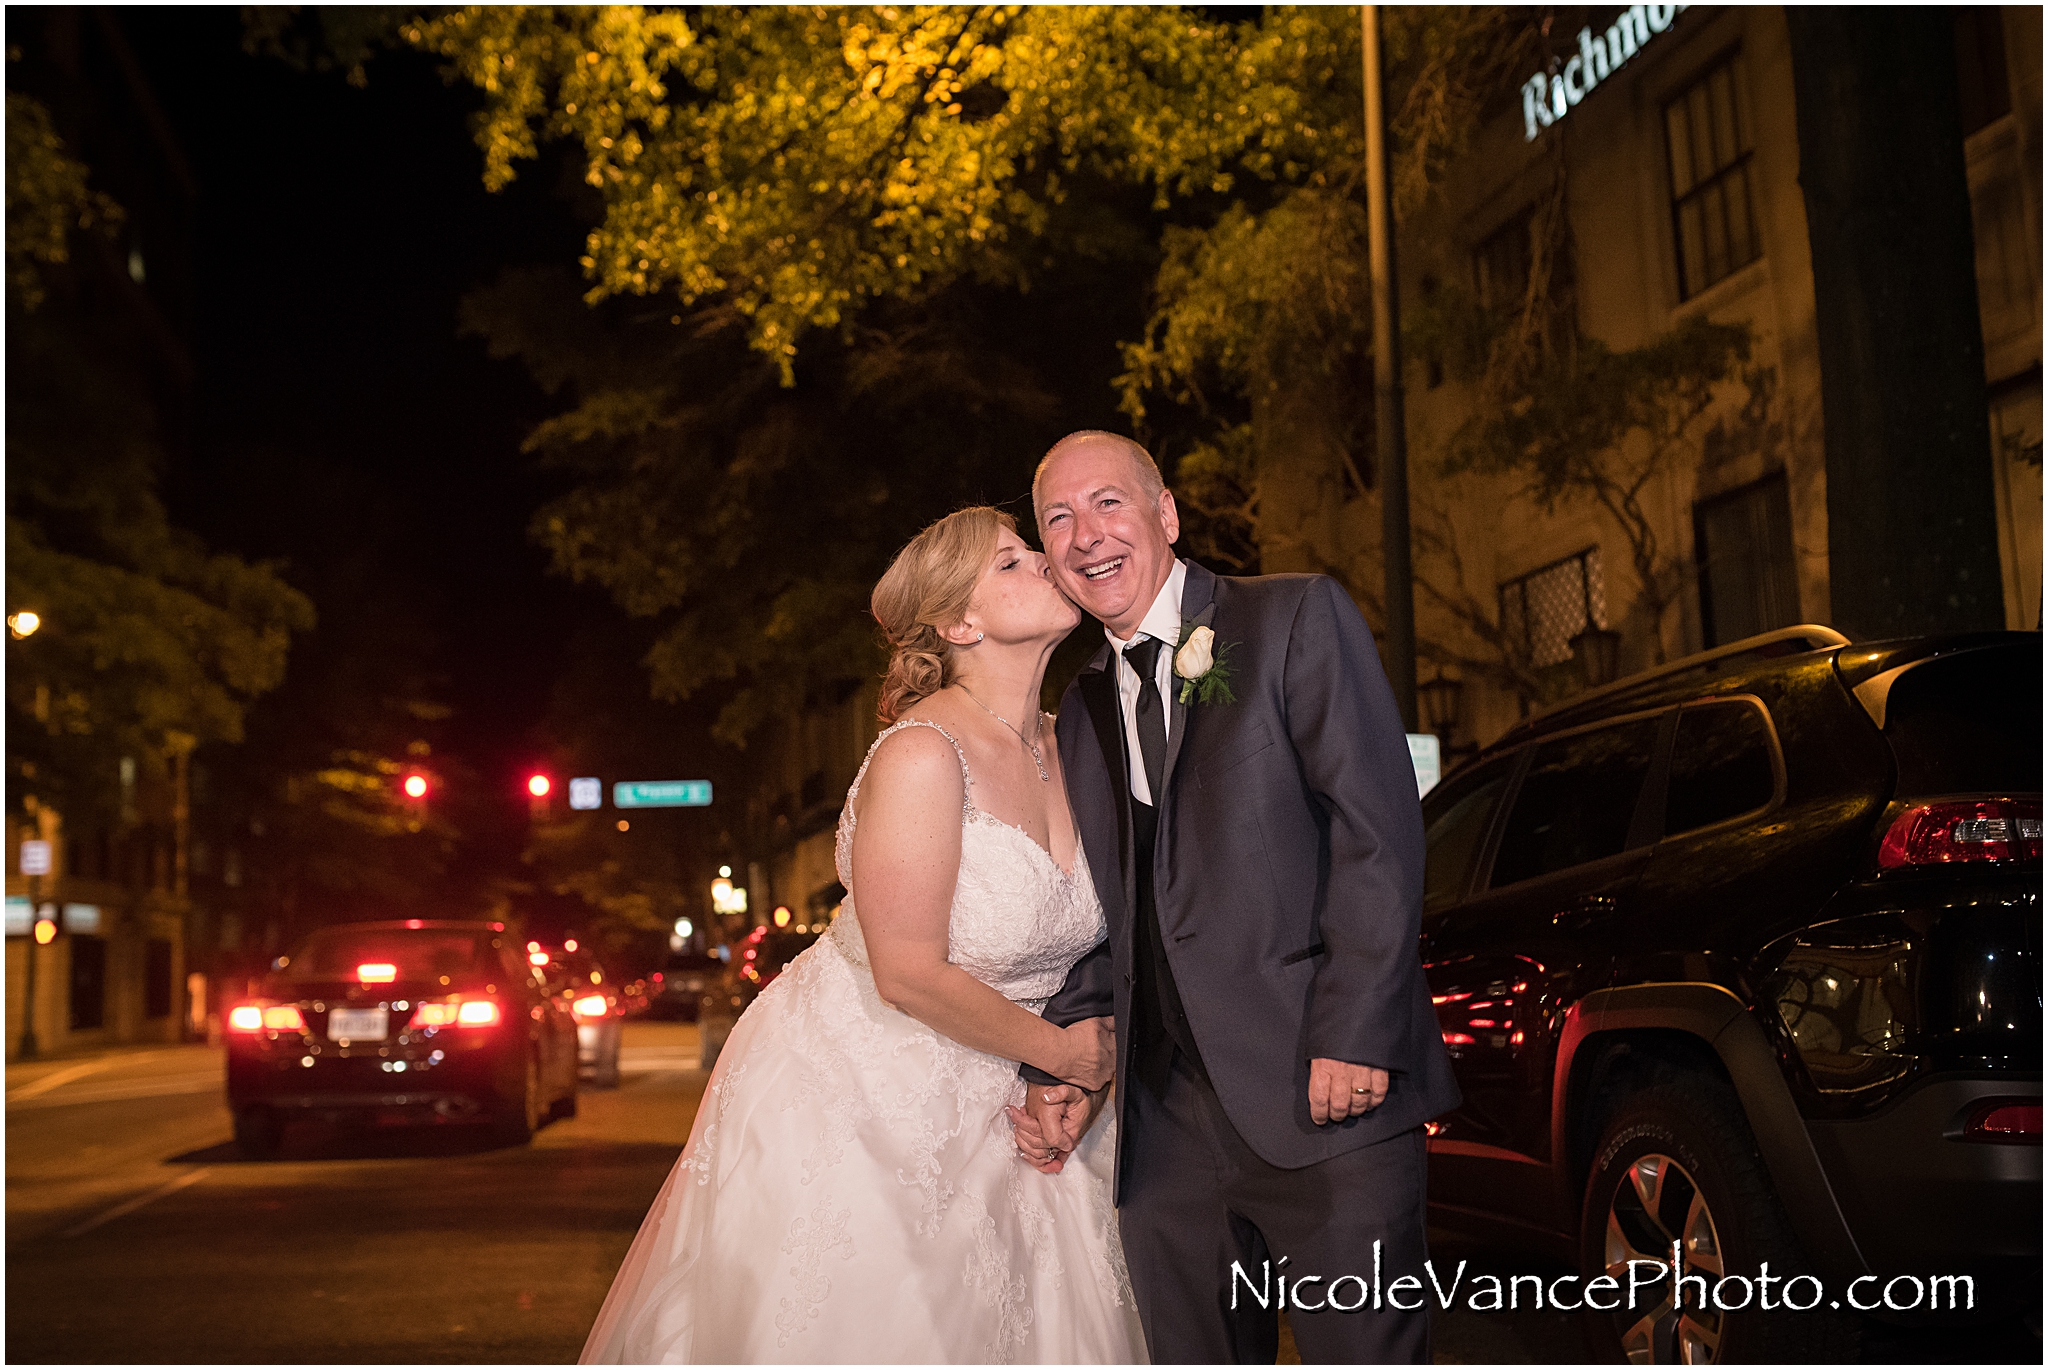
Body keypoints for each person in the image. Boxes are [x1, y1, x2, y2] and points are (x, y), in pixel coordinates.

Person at [580, 506, 1147, 1364]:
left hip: (1025, 1087)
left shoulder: (1080, 750)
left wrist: (1061, 1079)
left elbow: (1090, 950)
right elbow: (909, 973)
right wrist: (1068, 1056)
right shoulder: (921, 756)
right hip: (872, 1091)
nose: (1044, 560)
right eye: (1011, 562)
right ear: (961, 622)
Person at [1010, 431, 1460, 1364]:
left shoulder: (1293, 618)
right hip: (1165, 1131)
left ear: (1165, 514)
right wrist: (1062, 1057)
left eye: (1109, 503)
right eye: (1059, 519)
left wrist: (1354, 1031)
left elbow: (1375, 833)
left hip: (1324, 1091)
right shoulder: (1083, 711)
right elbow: (1114, 908)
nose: (1087, 534)